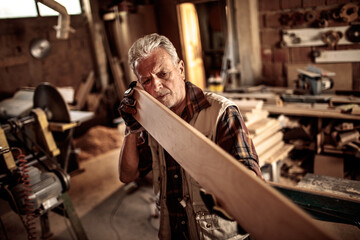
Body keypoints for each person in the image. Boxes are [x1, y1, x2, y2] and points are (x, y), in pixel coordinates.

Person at [118, 33, 262, 240]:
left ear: (181, 69)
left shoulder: (221, 113)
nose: (156, 86)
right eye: (147, 80)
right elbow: (127, 175)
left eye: (163, 74)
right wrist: (131, 128)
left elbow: (251, 191)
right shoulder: (151, 120)